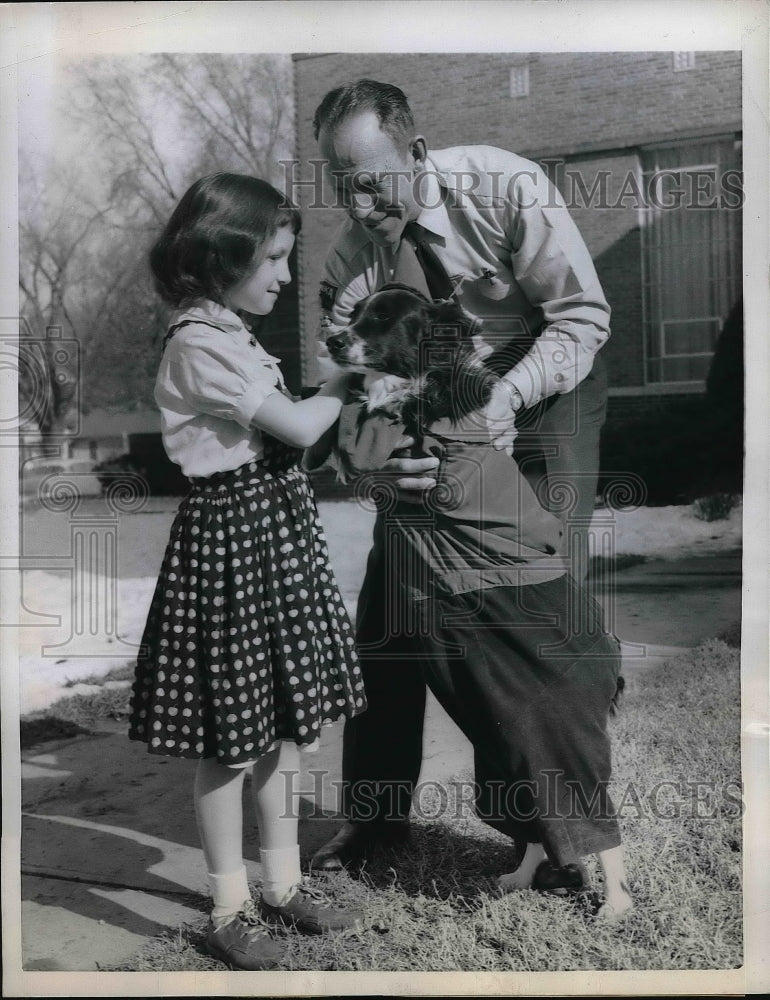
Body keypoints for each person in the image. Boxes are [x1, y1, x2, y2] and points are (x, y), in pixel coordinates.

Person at [308, 79, 612, 874]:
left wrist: (504, 399)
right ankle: (374, 821)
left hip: (544, 385)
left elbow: (581, 316)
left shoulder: (504, 186)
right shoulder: (348, 266)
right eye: (340, 183)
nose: (358, 200)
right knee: (390, 606)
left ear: (414, 152)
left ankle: (553, 828)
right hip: (429, 416)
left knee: (537, 611)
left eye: (371, 177)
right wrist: (383, 473)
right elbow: (347, 407)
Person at [127, 173, 367, 971]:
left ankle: (284, 886)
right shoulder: (197, 343)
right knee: (232, 743)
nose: (284, 276)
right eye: (271, 258)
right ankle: (229, 905)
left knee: (285, 735)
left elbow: (288, 429)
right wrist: (347, 380)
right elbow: (297, 425)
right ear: (223, 255)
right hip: (231, 545)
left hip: (272, 539)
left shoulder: (230, 331)